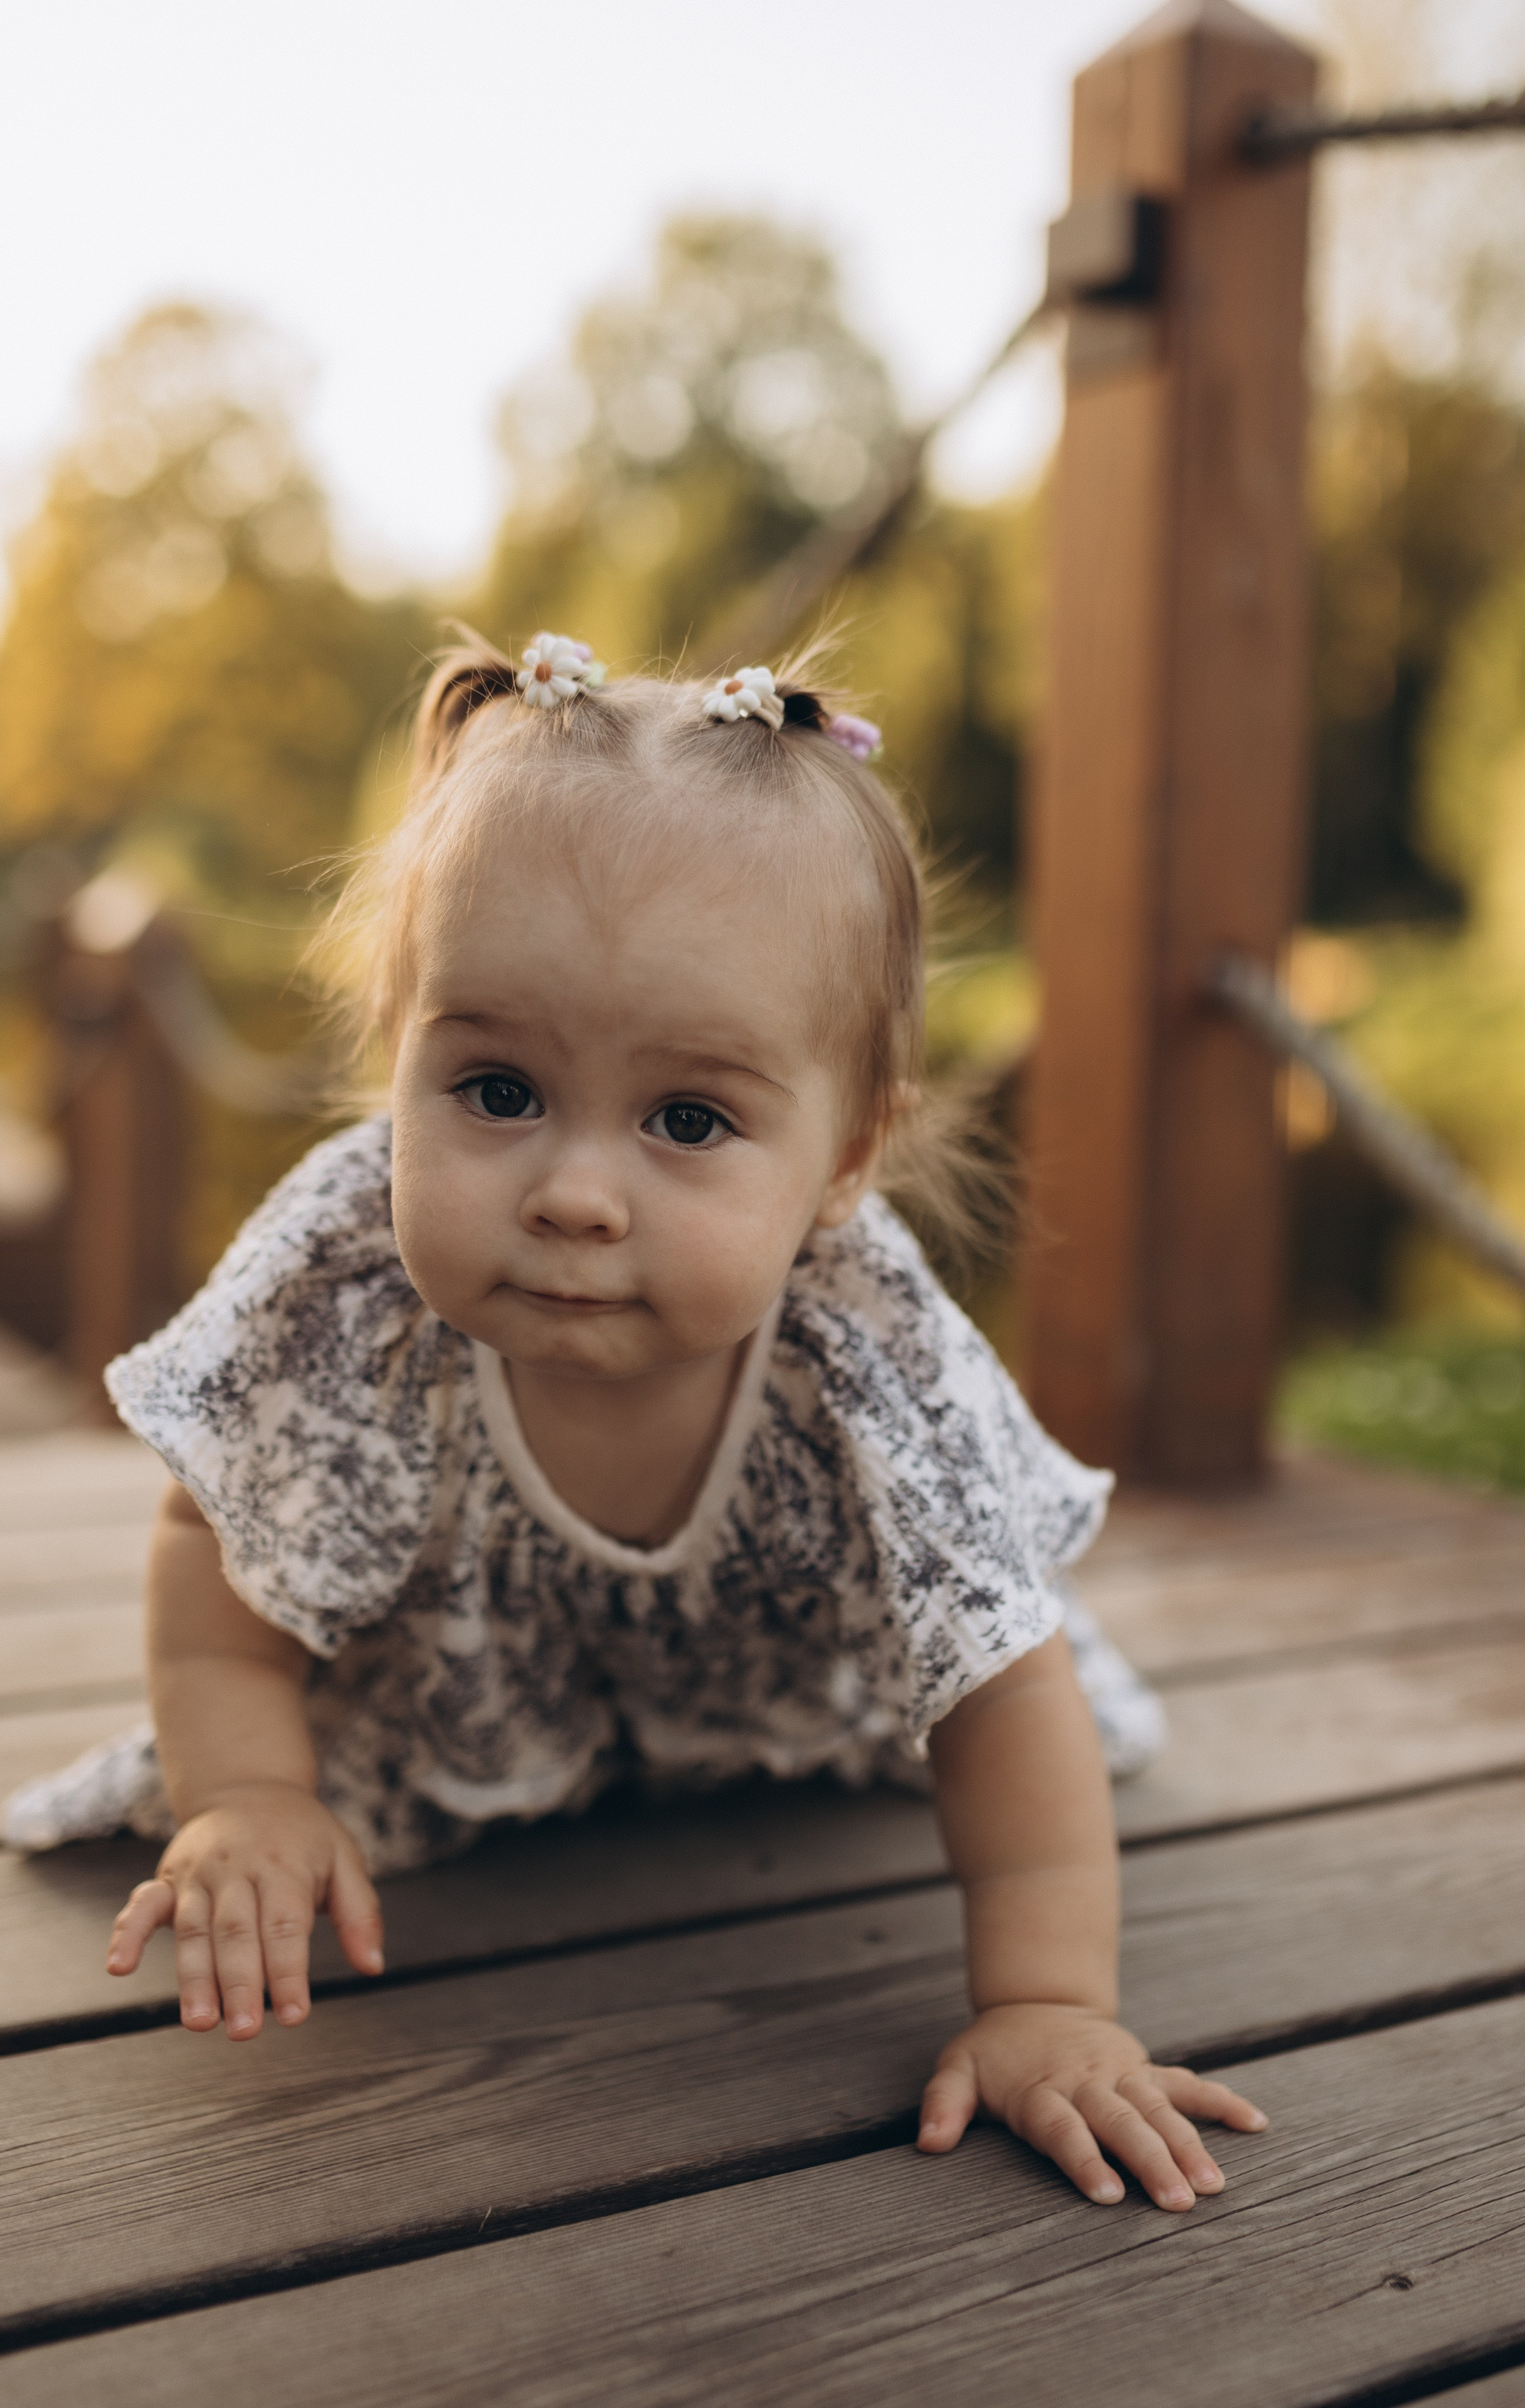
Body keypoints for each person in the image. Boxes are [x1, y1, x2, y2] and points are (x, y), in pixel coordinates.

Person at [4, 633, 1265, 2210]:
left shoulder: (862, 1350)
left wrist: (1047, 2004)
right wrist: (246, 1793)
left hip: (796, 1705)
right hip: (462, 1711)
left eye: (686, 1119)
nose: (576, 1194)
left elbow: (1007, 1684)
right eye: (496, 1090)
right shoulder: (347, 1274)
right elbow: (219, 1539)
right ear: (395, 1051)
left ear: (844, 1159)